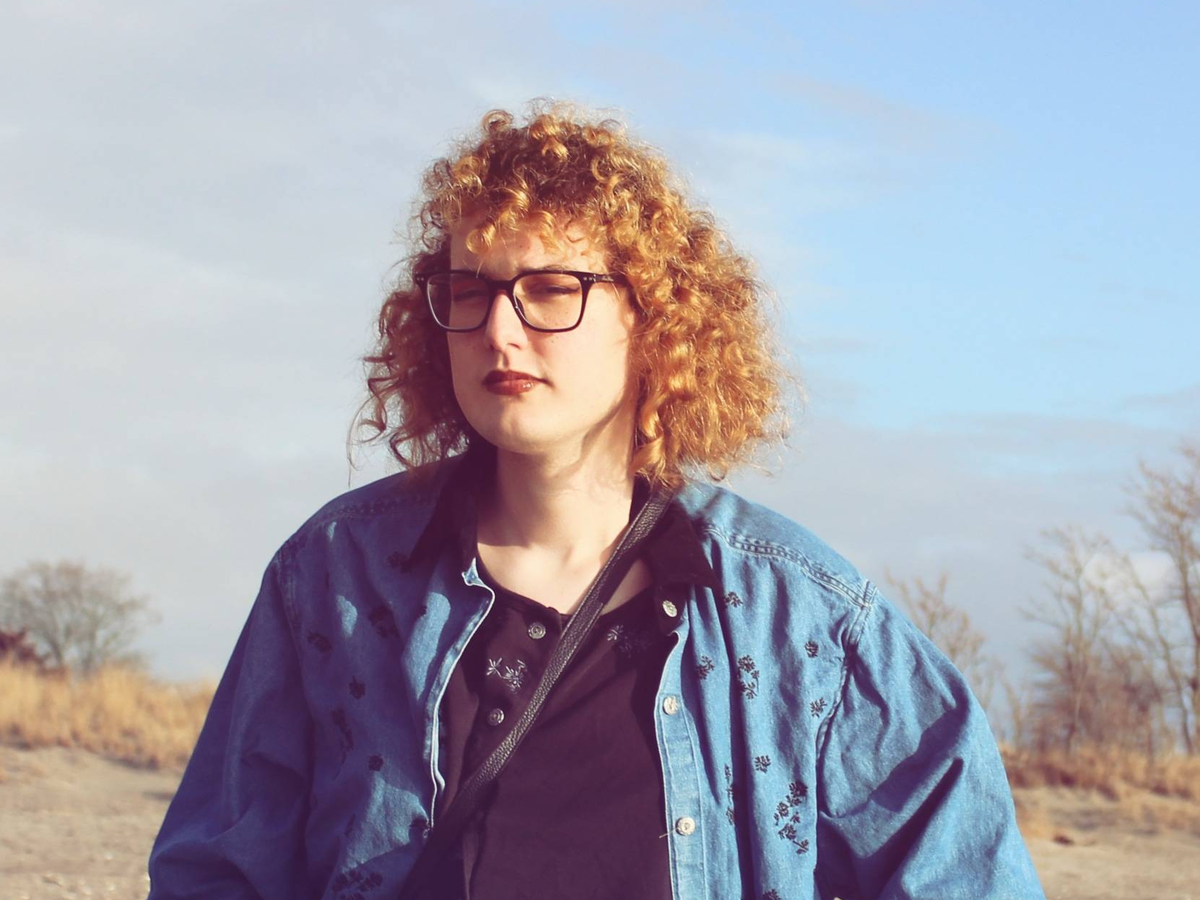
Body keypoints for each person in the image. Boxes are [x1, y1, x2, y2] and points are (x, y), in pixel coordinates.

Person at [148, 103, 1046, 900]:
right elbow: (217, 872)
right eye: (469, 291)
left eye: (551, 290)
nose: (500, 329)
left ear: (654, 318)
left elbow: (962, 868)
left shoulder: (801, 617)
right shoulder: (336, 577)